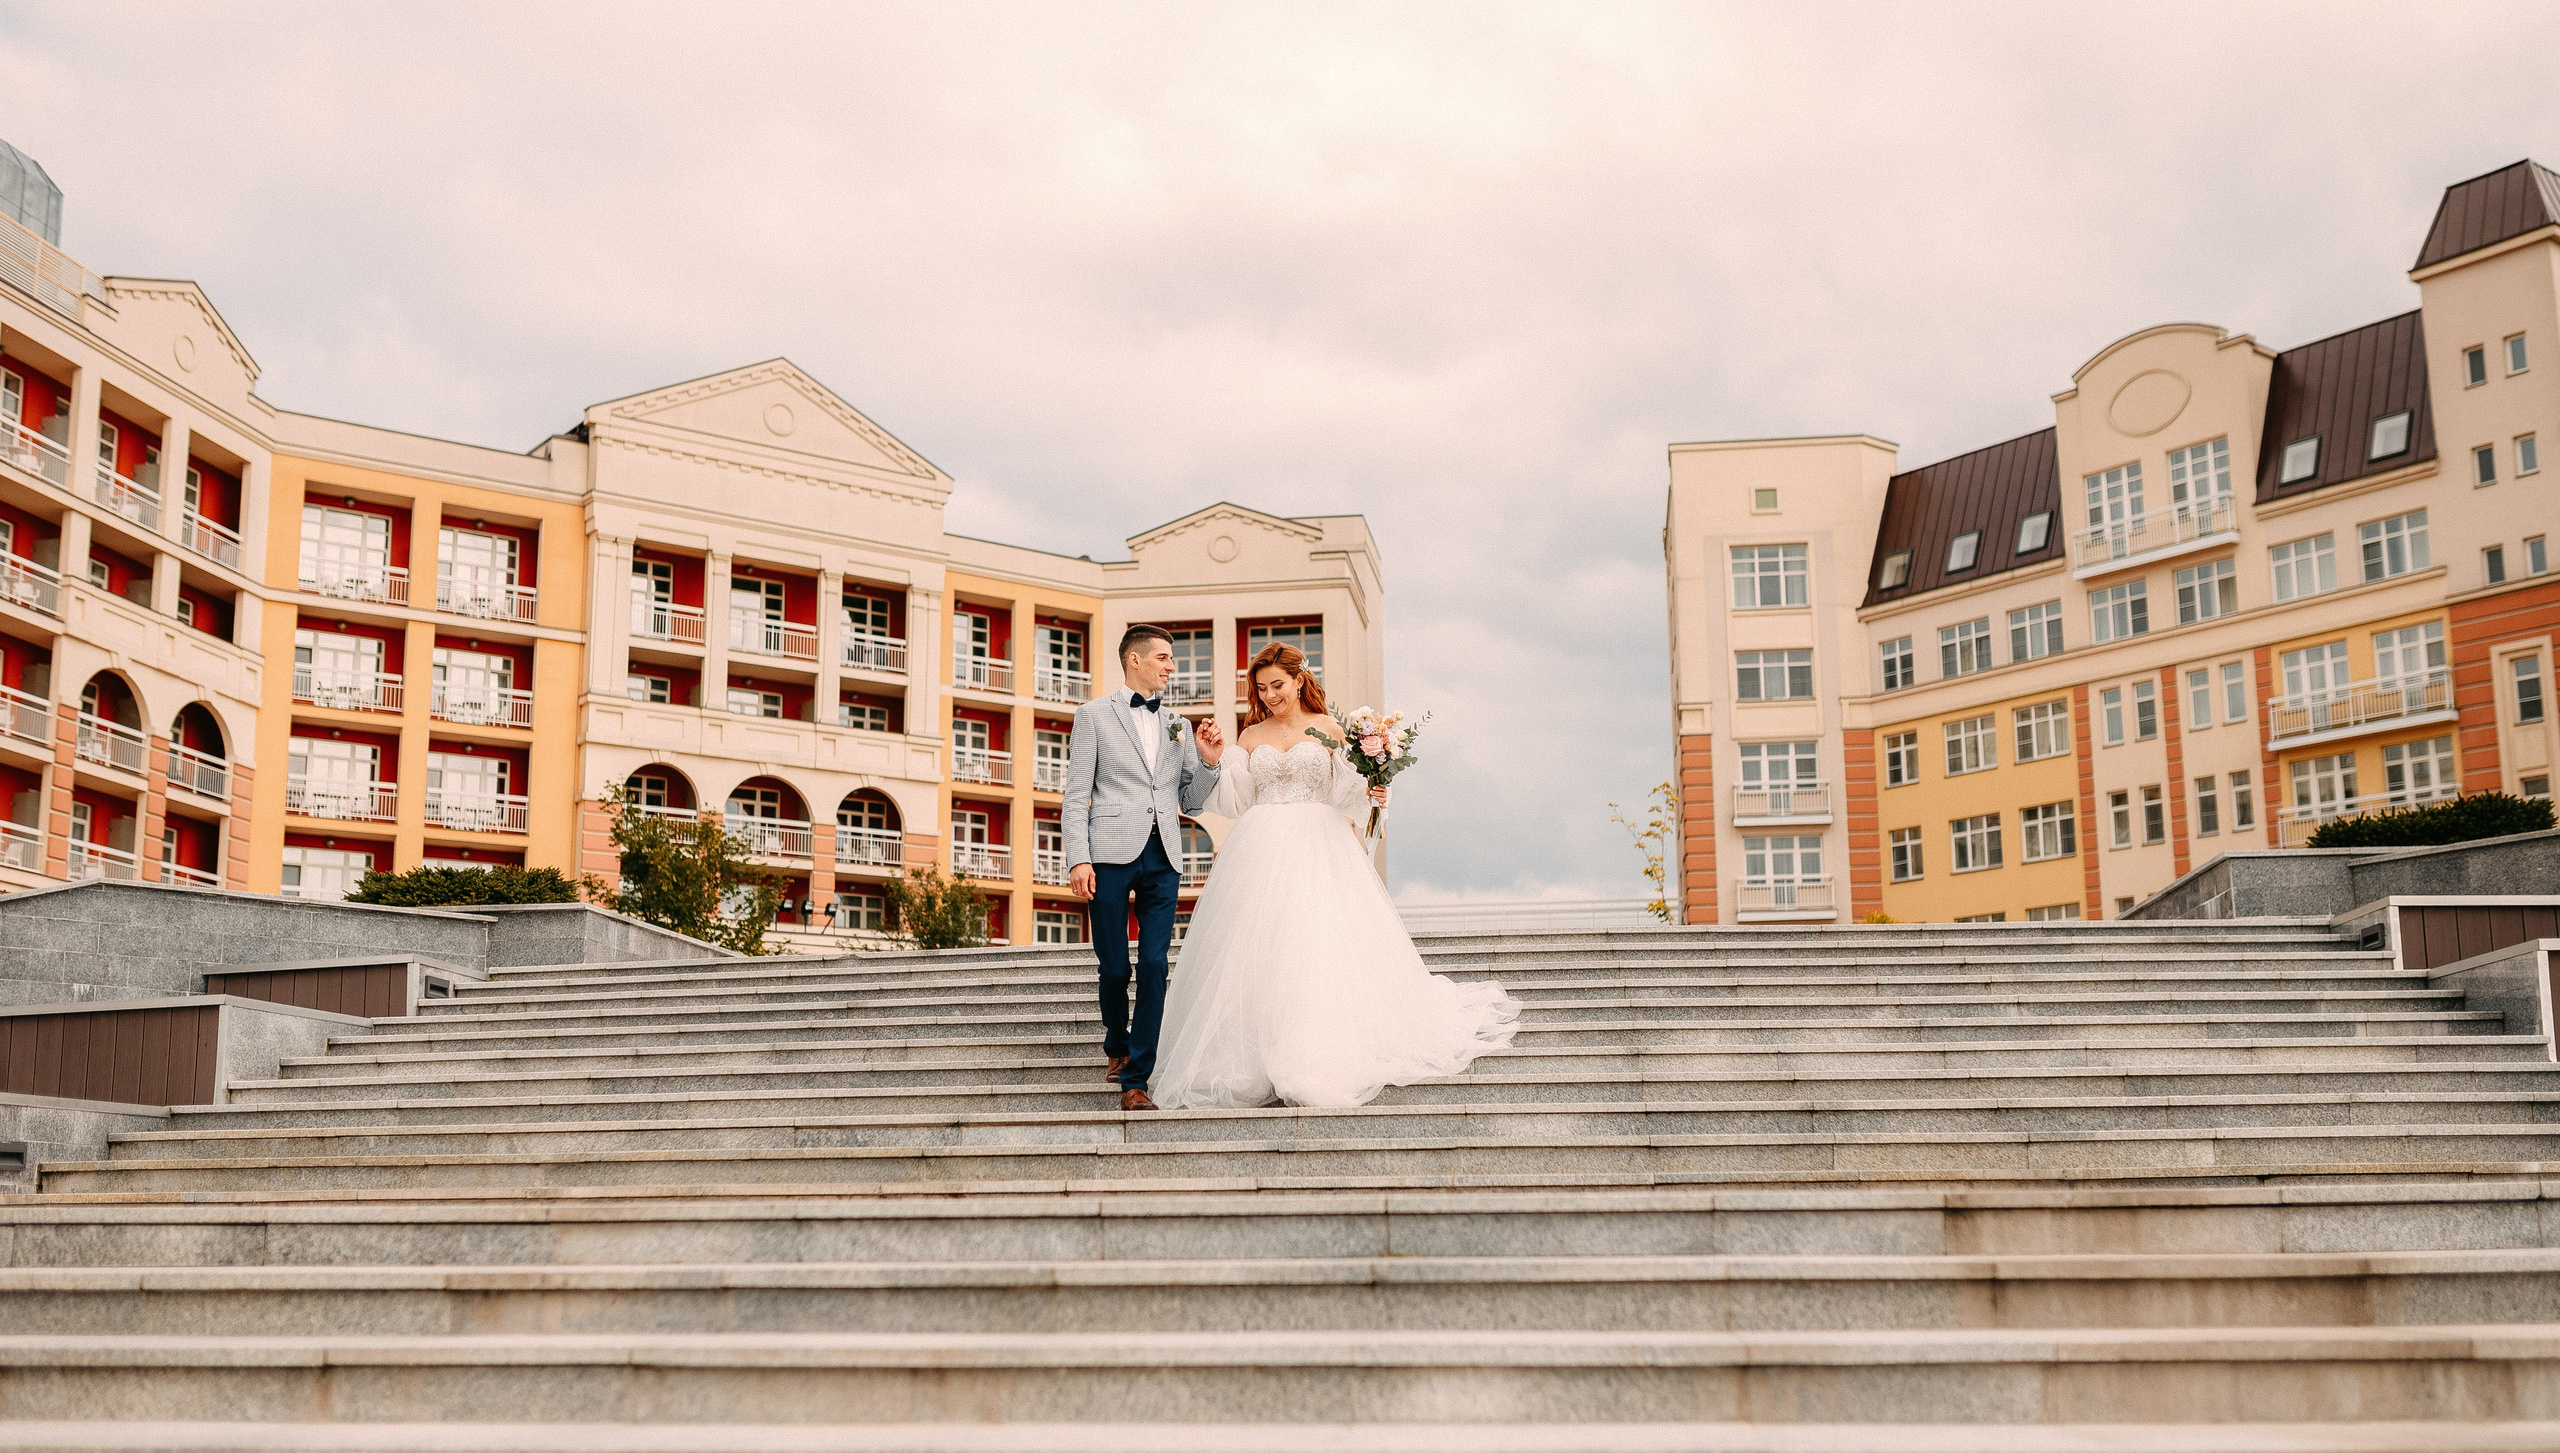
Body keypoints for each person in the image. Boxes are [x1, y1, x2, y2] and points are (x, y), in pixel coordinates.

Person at [1151, 642, 1519, 1110]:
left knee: (1314, 943)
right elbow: (1238, 800)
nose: (1269, 696)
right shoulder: (1249, 736)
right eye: (1261, 688)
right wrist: (1211, 758)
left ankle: (1313, 1054)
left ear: (1300, 680)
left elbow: (1349, 793)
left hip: (1318, 844)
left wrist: (1375, 792)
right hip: (1259, 847)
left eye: (1277, 685)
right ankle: (1257, 1054)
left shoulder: (1329, 729)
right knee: (1264, 946)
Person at [1063, 623, 1227, 1112]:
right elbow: (1076, 795)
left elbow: (1190, 802)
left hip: (1165, 856)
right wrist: (1078, 858)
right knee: (1114, 967)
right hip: (1108, 853)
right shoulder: (1092, 716)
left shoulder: (1178, 723)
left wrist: (1209, 762)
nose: (1172, 666)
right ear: (1134, 660)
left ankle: (1137, 1078)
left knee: (1154, 965)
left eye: (1171, 659)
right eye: (1163, 657)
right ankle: (1116, 1042)